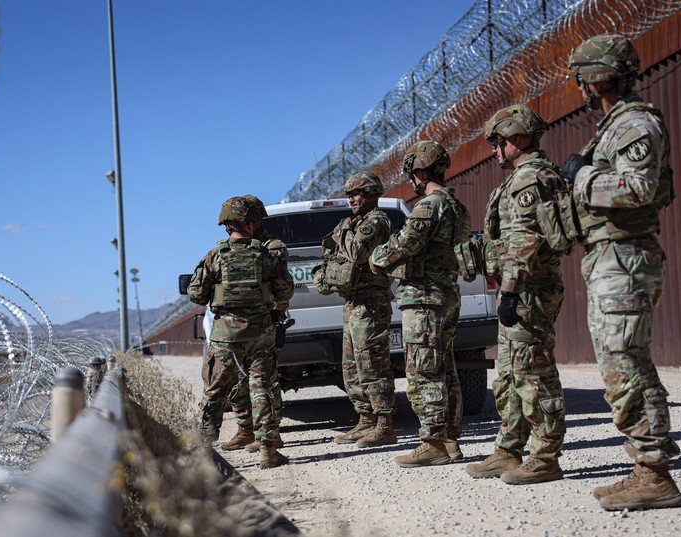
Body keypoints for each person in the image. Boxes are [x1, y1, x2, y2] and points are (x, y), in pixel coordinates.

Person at [562, 33, 681, 510]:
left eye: (582, 77)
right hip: (613, 256)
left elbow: (638, 188)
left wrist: (582, 177)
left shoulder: (632, 124)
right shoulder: (613, 126)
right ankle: (645, 465)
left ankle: (655, 475)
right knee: (627, 360)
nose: (579, 87)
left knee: (622, 364)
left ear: (598, 77)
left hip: (625, 256)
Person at [464, 104, 568, 485]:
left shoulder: (531, 179)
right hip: (515, 289)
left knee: (533, 372)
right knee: (508, 375)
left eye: (498, 141)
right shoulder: (518, 179)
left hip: (528, 290)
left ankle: (545, 456)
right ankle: (509, 450)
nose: (494, 150)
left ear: (519, 137)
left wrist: (510, 289)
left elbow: (527, 238)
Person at [371, 140, 470, 467]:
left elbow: (405, 242)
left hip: (424, 297)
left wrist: (378, 258)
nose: (411, 178)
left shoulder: (429, 206)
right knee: (445, 367)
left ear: (423, 170)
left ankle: (432, 442)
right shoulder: (457, 207)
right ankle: (450, 439)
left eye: (413, 171)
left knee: (422, 368)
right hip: (446, 293)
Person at [188, 196, 295, 469]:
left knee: (215, 391)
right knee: (262, 387)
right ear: (251, 223)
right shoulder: (266, 254)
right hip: (261, 332)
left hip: (225, 335)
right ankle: (268, 450)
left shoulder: (214, 256)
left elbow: (196, 295)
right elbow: (286, 290)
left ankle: (202, 451)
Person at [315, 171, 396, 447]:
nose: (352, 199)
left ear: (373, 193)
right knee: (351, 366)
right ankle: (365, 419)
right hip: (353, 302)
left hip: (371, 301)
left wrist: (344, 231)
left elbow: (358, 253)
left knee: (372, 362)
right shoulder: (353, 223)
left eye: (357, 193)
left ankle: (384, 423)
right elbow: (335, 255)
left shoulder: (376, 221)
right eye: (349, 194)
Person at [215, 195, 290, 453]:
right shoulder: (229, 247)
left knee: (266, 381)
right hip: (236, 324)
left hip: (265, 320)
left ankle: (270, 432)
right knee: (237, 380)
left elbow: (281, 287)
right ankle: (246, 429)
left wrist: (274, 315)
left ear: (255, 221)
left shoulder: (272, 246)